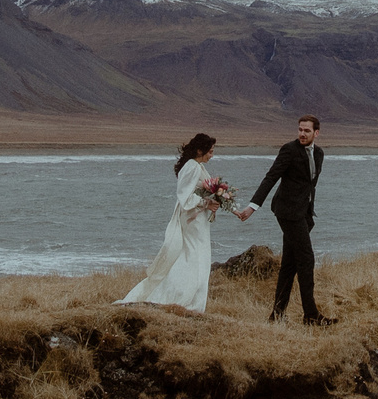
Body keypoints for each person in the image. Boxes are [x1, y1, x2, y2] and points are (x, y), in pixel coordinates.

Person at [118, 132, 252, 313]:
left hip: (197, 219)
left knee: (195, 256)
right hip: (192, 219)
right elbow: (185, 198)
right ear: (199, 150)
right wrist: (206, 203)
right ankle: (180, 298)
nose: (212, 155)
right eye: (210, 151)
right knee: (193, 258)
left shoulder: (196, 165)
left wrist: (233, 210)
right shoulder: (193, 167)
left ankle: (189, 299)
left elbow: (213, 194)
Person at [251, 114, 333, 325]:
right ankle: (311, 315)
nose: (302, 134)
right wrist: (253, 206)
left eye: (307, 131)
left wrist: (308, 209)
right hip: (287, 213)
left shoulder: (319, 153)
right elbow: (271, 177)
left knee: (289, 263)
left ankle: (277, 314)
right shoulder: (289, 150)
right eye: (300, 130)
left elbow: (309, 184)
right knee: (306, 259)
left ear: (316, 133)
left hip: (303, 213)